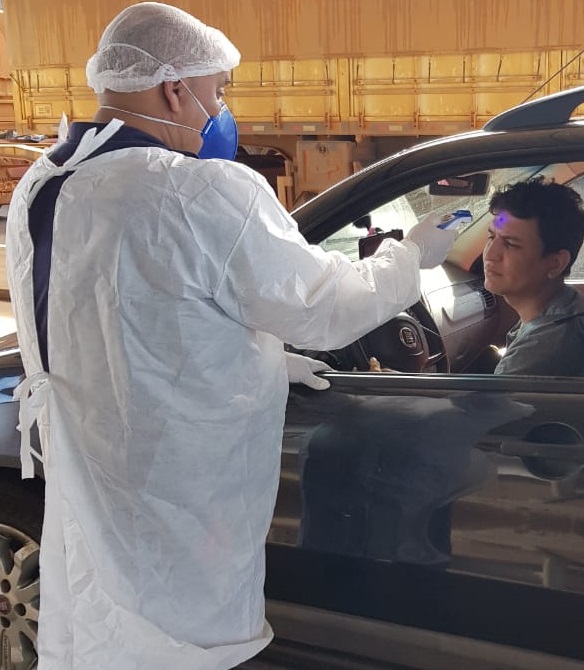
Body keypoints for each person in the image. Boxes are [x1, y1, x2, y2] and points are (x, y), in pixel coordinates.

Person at [5, 3, 455, 669]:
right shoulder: (196, 190)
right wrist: (409, 256)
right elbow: (326, 307)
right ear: (174, 88)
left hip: (88, 459)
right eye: (217, 90)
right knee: (178, 635)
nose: (220, 109)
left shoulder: (45, 182)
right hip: (174, 479)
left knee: (101, 618)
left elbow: (125, 319)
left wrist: (266, 359)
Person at [482, 177, 584, 376]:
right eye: (491, 237)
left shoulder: (539, 350)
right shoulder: (570, 302)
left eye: (510, 244)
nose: (490, 254)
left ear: (555, 263)